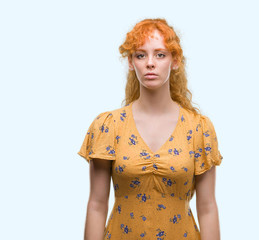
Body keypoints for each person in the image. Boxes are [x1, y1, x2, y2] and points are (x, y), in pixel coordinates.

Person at [77, 18, 223, 240]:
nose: (150, 63)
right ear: (130, 62)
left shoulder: (198, 129)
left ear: (175, 61)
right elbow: (97, 204)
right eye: (141, 55)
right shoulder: (109, 126)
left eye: (160, 54)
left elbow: (208, 207)